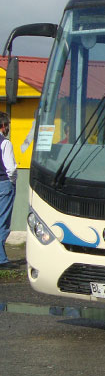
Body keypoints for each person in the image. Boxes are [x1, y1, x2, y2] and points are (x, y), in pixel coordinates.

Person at [0, 111, 18, 269]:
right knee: (2, 221)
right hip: (4, 184)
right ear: (3, 126)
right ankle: (1, 259)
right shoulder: (5, 143)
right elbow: (10, 169)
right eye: (8, 126)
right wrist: (12, 182)